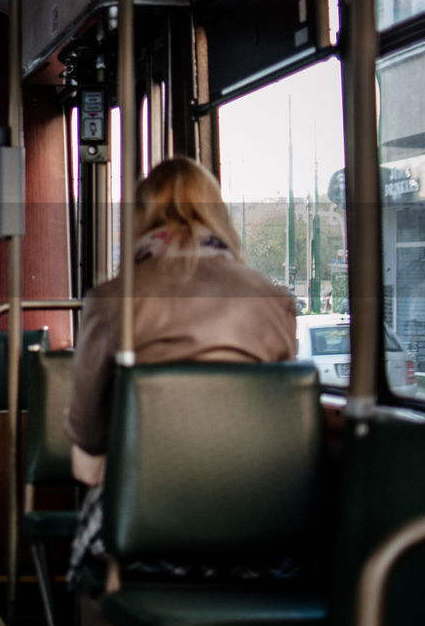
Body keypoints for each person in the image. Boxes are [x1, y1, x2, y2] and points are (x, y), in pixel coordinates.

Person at [64, 156, 296, 577]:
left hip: (147, 522)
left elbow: (86, 430)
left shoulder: (114, 297)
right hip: (261, 523)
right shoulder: (272, 299)